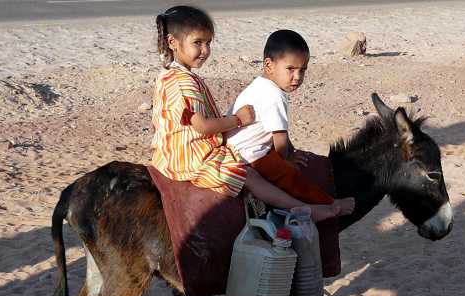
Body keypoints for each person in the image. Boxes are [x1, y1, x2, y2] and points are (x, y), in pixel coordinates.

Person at [152, 6, 342, 221]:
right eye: (198, 42)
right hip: (190, 157)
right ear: (172, 42)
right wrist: (238, 120)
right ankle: (301, 209)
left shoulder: (168, 74)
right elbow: (202, 126)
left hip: (169, 150)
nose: (205, 50)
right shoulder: (184, 81)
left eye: (208, 43)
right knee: (249, 176)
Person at [226, 29, 355, 215]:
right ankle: (330, 205)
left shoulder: (259, 85)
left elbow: (276, 131)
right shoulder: (274, 96)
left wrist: (290, 150)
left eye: (302, 70)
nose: (297, 77)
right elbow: (280, 139)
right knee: (292, 177)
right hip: (249, 156)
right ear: (269, 65)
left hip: (236, 147)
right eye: (291, 69)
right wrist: (287, 160)